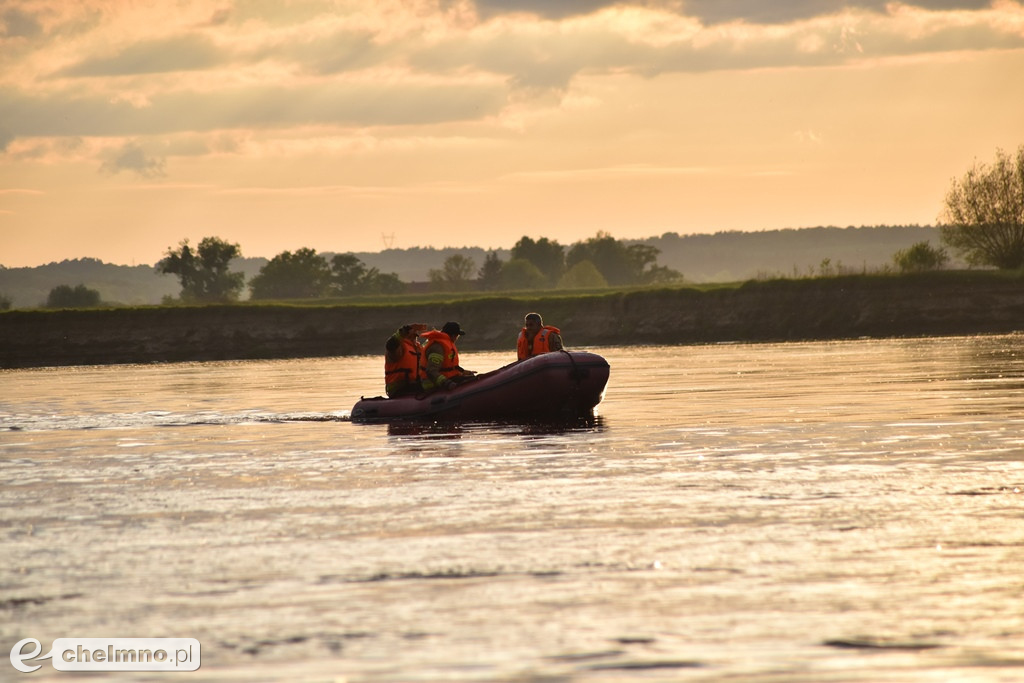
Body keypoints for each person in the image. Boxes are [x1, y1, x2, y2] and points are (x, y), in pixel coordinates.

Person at [420, 321, 475, 392]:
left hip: (447, 378)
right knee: (469, 381)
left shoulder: (444, 344)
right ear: (452, 335)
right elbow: (431, 371)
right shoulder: (438, 347)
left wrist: (462, 372)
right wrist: (447, 383)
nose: (456, 338)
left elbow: (448, 367)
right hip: (434, 384)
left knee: (471, 379)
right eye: (457, 336)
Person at [384, 323, 428, 397]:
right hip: (399, 387)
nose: (414, 338)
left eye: (415, 336)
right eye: (412, 335)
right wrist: (404, 330)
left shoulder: (419, 349)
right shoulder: (398, 347)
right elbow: (391, 345)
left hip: (415, 385)